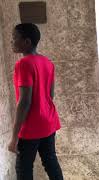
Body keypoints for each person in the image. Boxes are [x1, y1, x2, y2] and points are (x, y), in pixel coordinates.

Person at [7, 23, 64, 180]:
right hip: (49, 122)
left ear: (26, 42)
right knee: (51, 162)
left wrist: (14, 137)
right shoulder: (47, 62)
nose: (11, 41)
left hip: (31, 127)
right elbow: (50, 95)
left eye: (14, 38)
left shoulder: (23, 64)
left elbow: (25, 101)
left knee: (23, 168)